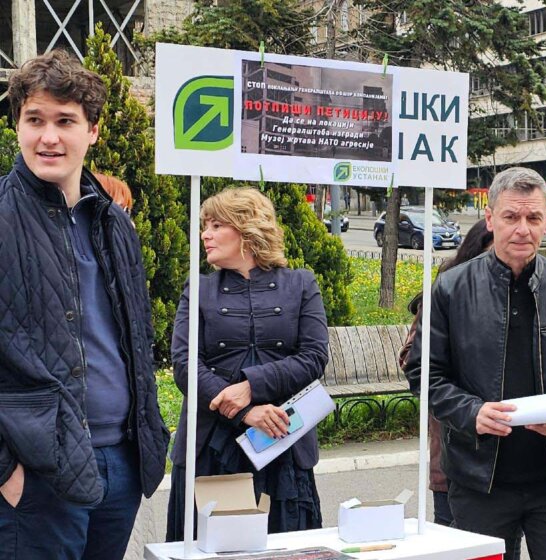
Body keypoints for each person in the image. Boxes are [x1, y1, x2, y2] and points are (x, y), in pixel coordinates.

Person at [0, 50, 169, 559]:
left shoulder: (116, 224)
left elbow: (135, 340)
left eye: (65, 121)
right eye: (35, 120)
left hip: (121, 462)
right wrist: (6, 472)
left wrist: (149, 439)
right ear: (17, 127)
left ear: (92, 130)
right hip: (36, 474)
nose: (48, 137)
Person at [404, 167, 546, 559]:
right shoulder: (451, 289)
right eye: (511, 217)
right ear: (489, 219)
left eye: (534, 218)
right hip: (479, 479)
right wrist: (471, 412)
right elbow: (423, 372)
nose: (523, 229)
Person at [166, 187, 329, 539]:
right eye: (204, 225)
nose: (204, 234)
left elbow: (314, 357)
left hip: (282, 442)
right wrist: (244, 412)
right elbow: (184, 365)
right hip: (211, 446)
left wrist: (251, 387)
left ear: (248, 230)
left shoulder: (301, 284)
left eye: (215, 225)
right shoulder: (199, 289)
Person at [400, 219, 494, 526]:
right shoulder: (446, 291)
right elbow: (411, 359)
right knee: (454, 535)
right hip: (453, 443)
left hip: (507, 457)